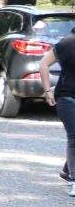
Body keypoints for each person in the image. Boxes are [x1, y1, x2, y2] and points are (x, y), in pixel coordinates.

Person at [40, 24, 75, 195]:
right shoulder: (67, 43)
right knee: (74, 136)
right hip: (67, 97)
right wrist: (47, 91)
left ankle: (68, 170)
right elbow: (44, 63)